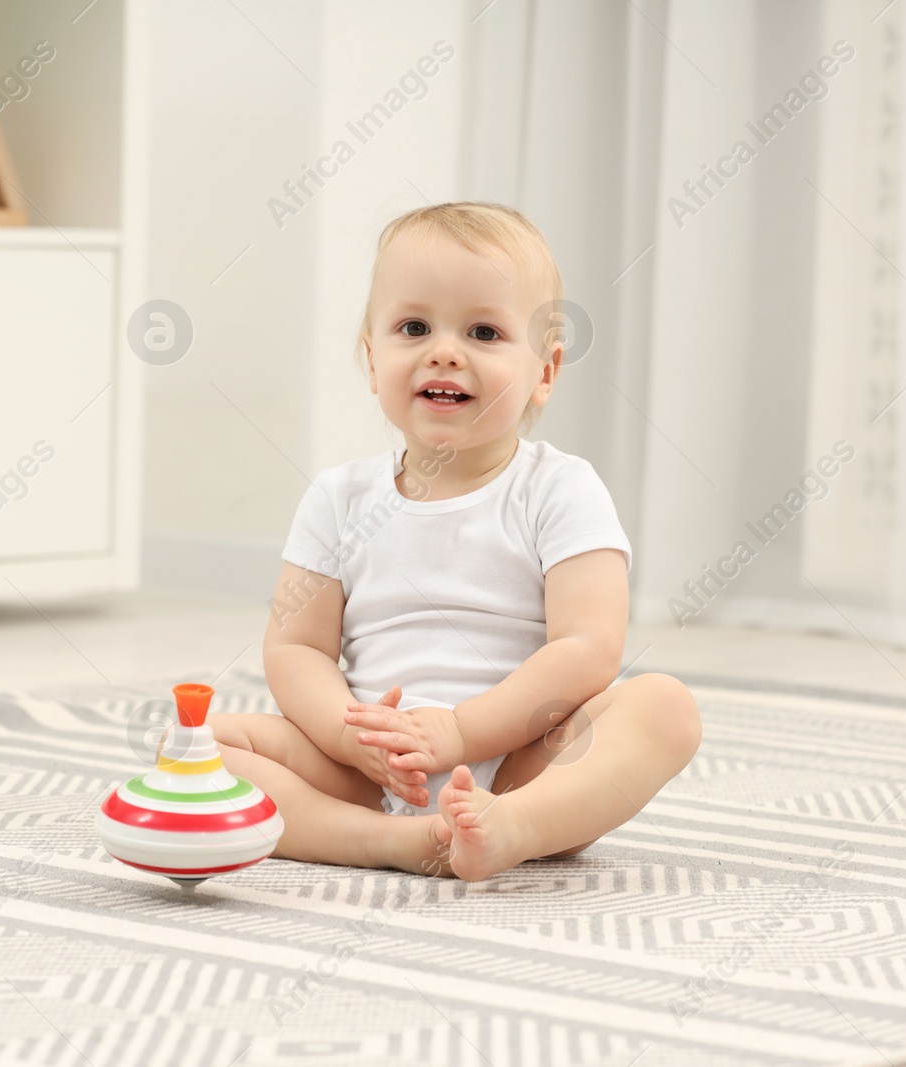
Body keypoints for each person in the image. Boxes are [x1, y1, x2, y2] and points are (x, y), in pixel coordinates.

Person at [211, 201, 701, 881]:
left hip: (519, 763)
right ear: (371, 354)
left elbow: (588, 647)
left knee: (664, 706)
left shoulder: (560, 489)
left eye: (483, 331)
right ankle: (385, 839)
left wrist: (463, 731)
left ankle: (517, 826)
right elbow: (297, 647)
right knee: (203, 747)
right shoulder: (338, 497)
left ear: (545, 372)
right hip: (368, 770)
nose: (445, 350)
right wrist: (349, 735)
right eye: (414, 326)